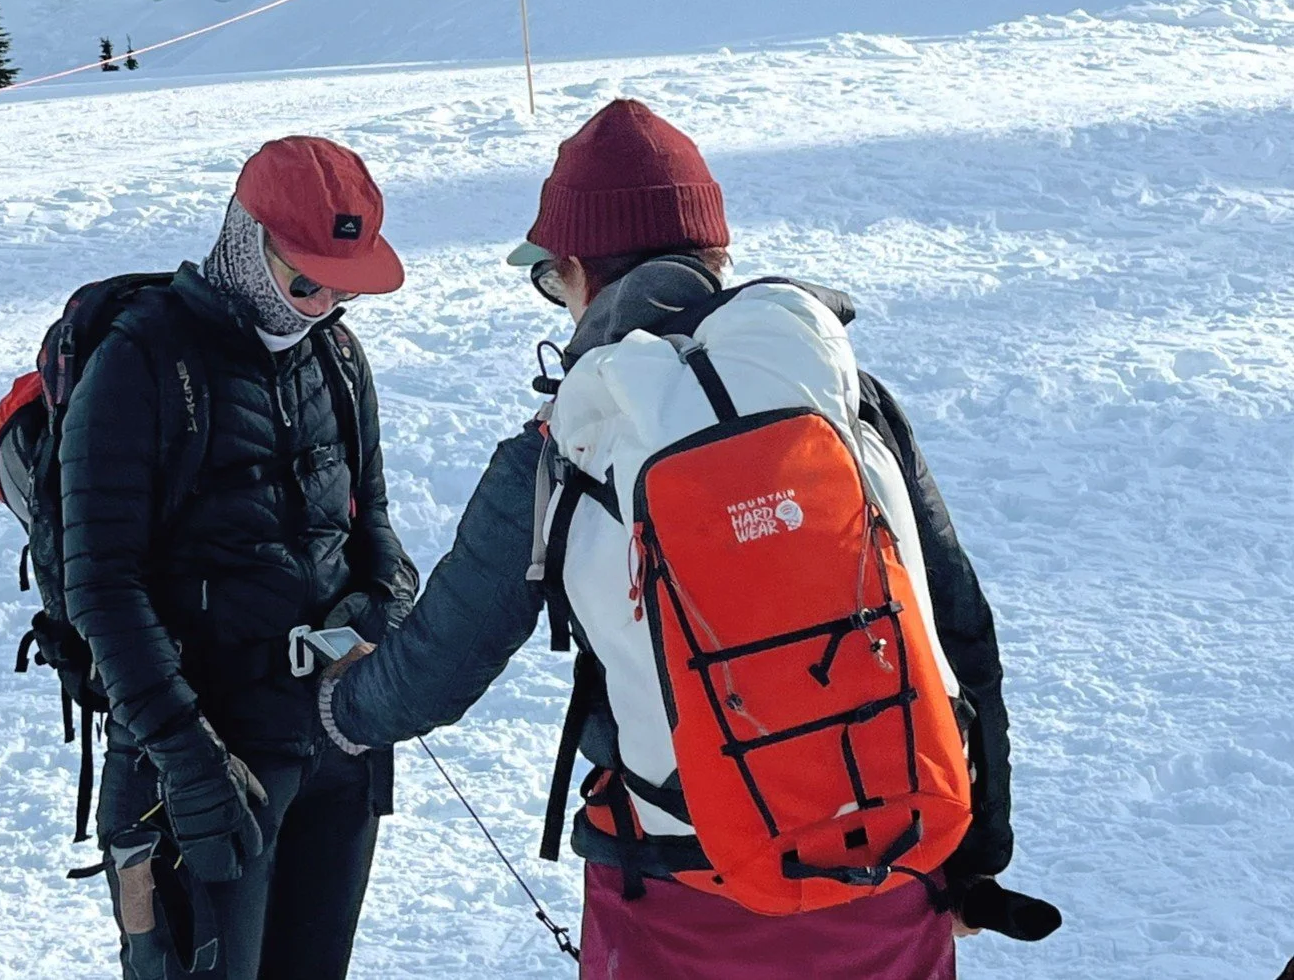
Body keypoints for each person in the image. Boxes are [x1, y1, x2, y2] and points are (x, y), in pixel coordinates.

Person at [321, 100, 1017, 979]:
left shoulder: (562, 445)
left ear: (574, 273)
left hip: (679, 889)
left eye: (550, 280)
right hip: (891, 855)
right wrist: (976, 851)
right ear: (716, 259)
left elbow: (436, 669)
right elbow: (959, 626)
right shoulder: (844, 398)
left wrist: (336, 708)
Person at [60, 135, 418, 980]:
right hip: (202, 758)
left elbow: (376, 536)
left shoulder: (335, 355)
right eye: (304, 280)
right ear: (241, 237)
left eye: (344, 288)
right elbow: (101, 586)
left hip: (334, 747)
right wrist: (188, 760)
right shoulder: (141, 361)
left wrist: (379, 628)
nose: (321, 304)